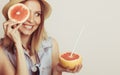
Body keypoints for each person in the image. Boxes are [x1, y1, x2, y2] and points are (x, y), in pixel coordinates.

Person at [0, 0, 82, 75]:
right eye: (26, 12)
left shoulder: (51, 45)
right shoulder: (2, 52)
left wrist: (57, 70)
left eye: (37, 14)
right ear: (13, 15)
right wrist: (18, 45)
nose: (31, 20)